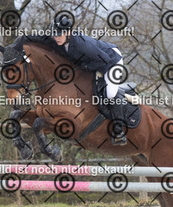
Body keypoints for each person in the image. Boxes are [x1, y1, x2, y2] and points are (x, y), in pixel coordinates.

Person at [24, 16, 129, 145]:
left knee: (110, 93)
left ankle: (119, 130)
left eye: (59, 35)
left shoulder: (81, 44)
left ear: (68, 33)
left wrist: (86, 67)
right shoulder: (60, 41)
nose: (56, 38)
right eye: (54, 34)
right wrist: (21, 41)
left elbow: (105, 60)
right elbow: (41, 39)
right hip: (95, 60)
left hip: (111, 61)